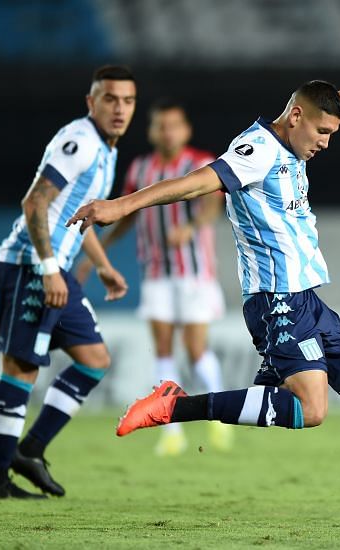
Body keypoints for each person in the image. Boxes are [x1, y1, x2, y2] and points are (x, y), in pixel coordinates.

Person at [68, 34, 340, 537]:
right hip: (276, 302)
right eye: (322, 132)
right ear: (296, 118)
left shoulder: (297, 133)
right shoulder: (256, 151)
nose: (328, 141)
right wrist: (120, 205)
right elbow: (198, 180)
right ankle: (175, 405)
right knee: (311, 409)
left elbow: (334, 107)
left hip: (307, 301)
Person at [0, 65, 135, 499]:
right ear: (91, 102)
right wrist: (48, 268)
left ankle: (29, 450)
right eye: (109, 99)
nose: (119, 108)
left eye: (127, 101)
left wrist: (101, 264)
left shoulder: (106, 149)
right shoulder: (80, 142)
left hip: (55, 267)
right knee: (22, 369)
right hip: (32, 264)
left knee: (95, 360)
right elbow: (35, 203)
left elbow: (73, 216)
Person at [78, 98, 230, 456]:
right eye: (161, 125)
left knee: (195, 350)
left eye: (174, 125)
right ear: (151, 131)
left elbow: (213, 202)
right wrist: (99, 252)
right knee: (162, 349)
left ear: (186, 130)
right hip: (157, 272)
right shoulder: (141, 168)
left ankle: (220, 420)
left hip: (194, 273)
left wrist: (191, 228)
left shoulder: (199, 163)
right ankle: (172, 430)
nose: (167, 132)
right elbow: (127, 213)